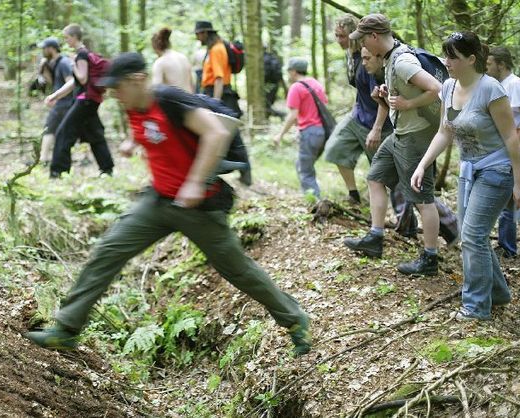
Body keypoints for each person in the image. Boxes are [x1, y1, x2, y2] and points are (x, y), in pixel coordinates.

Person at [24, 52, 312, 356]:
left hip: (199, 207)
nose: (114, 96)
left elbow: (214, 134)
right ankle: (67, 329)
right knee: (109, 249)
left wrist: (195, 182)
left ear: (139, 80)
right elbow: (155, 133)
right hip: (159, 201)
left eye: (118, 87)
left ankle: (295, 320)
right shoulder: (133, 107)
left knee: (238, 270)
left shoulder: (170, 102)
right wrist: (133, 143)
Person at [411, 32, 520, 320]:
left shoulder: (492, 89)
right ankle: (497, 293)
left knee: (474, 236)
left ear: (472, 59)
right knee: (471, 235)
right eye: (446, 55)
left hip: (497, 169)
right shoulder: (449, 87)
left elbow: (512, 140)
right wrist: (423, 164)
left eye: (453, 57)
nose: (446, 62)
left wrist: (519, 181)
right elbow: (444, 131)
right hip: (468, 169)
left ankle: (476, 306)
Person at [344, 14, 442, 275]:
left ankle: (430, 258)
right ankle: (376, 238)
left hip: (416, 136)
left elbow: (436, 88)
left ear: (374, 36)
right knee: (375, 177)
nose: (362, 44)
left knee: (423, 198)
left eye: (364, 38)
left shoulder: (403, 61)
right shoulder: (391, 58)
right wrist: (386, 97)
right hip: (400, 133)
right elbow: (404, 93)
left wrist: (408, 104)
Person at [326, 14, 393, 205]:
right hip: (358, 116)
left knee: (382, 173)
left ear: (353, 35)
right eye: (336, 35)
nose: (339, 40)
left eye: (343, 36)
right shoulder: (350, 55)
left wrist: (377, 128)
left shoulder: (367, 57)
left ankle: (401, 217)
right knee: (335, 149)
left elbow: (382, 95)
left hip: (378, 121)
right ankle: (354, 195)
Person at [47, 24, 114, 178]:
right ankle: (107, 169)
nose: (66, 41)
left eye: (67, 37)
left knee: (63, 133)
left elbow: (82, 78)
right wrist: (55, 96)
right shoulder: (84, 54)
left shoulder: (81, 54)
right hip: (90, 101)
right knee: (95, 134)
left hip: (85, 101)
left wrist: (72, 63)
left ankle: (59, 171)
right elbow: (74, 83)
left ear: (75, 37)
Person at [486, 46, 520, 258]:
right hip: (502, 148)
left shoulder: (515, 84)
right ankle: (506, 244)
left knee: (510, 201)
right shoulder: (498, 85)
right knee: (508, 200)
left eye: (489, 64)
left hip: (514, 147)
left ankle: (508, 247)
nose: (486, 68)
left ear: (501, 65)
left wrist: (517, 143)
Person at [274, 58, 328, 199]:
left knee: (305, 171)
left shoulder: (296, 87)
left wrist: (280, 134)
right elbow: (323, 106)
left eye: (289, 71)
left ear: (293, 71)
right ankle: (312, 197)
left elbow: (293, 116)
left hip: (309, 132)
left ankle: (315, 202)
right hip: (321, 132)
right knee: (302, 165)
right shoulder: (316, 84)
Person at [37, 38, 74, 165]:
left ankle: (44, 159)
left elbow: (70, 82)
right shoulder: (55, 63)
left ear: (51, 48)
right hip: (61, 102)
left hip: (65, 103)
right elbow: (54, 83)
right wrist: (43, 69)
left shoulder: (64, 62)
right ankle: (46, 158)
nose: (43, 51)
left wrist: (56, 96)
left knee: (49, 128)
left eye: (44, 48)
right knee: (58, 130)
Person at [194, 21, 241, 117]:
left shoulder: (216, 49)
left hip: (218, 93)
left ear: (205, 33)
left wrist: (216, 103)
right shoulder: (215, 48)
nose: (197, 37)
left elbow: (219, 78)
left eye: (197, 34)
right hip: (216, 92)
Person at [151, 27, 193, 93]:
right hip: (191, 101)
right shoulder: (183, 57)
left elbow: (156, 90)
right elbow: (191, 85)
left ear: (154, 46)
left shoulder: (160, 62)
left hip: (174, 102)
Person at [263, 49, 285, 119]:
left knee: (266, 105)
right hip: (275, 84)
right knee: (268, 103)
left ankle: (282, 115)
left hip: (267, 85)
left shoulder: (263, 58)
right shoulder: (272, 57)